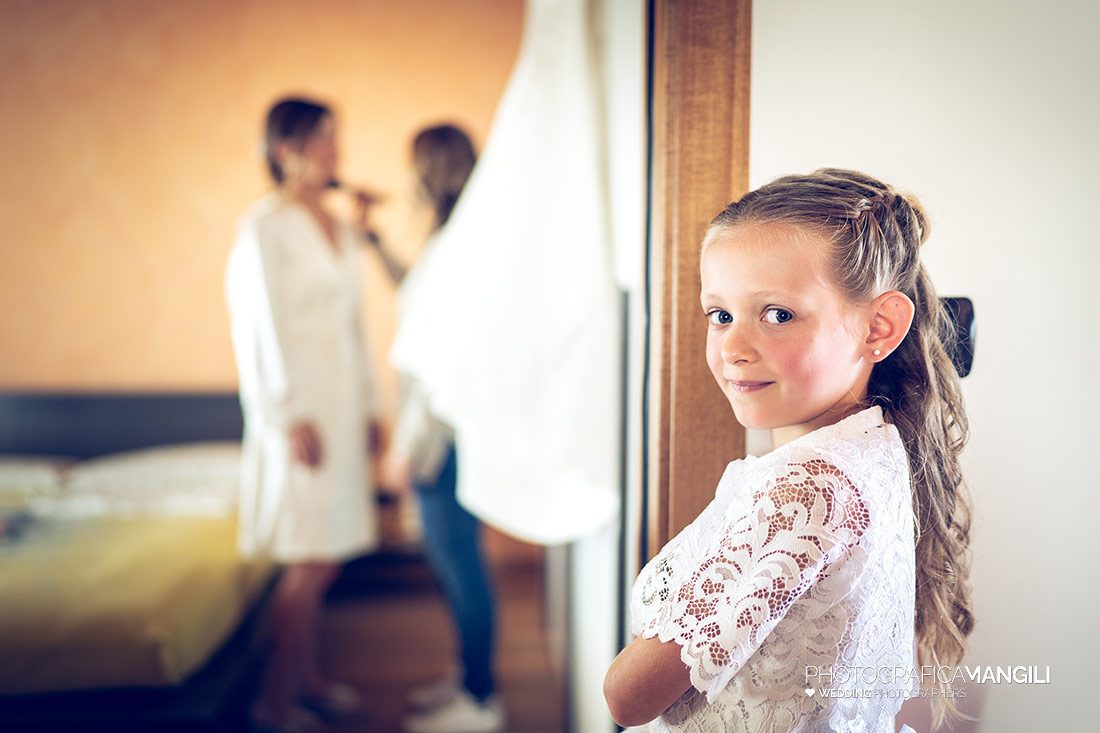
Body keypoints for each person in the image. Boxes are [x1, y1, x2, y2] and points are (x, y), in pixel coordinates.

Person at [603, 169, 974, 732]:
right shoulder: (873, 447)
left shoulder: (805, 492)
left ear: (879, 326)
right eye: (720, 315)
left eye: (777, 315)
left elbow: (626, 698)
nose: (733, 347)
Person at [226, 97, 383, 733]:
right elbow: (258, 330)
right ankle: (273, 702)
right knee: (308, 560)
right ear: (285, 149)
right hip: (300, 413)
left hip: (344, 406)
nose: (335, 152)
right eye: (322, 140)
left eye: (335, 139)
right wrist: (287, 416)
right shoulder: (263, 227)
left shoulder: (340, 226)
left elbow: (354, 323)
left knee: (329, 551)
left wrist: (372, 404)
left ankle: (310, 681)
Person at [359, 124, 503, 733]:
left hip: (439, 436)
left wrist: (407, 446)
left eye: (414, 167)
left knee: (459, 565)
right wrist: (373, 241)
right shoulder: (453, 241)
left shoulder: (458, 247)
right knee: (456, 564)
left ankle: (481, 701)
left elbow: (438, 362)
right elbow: (416, 301)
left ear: (430, 172)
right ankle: (467, 679)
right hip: (442, 432)